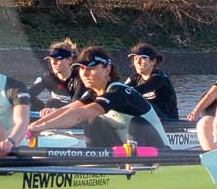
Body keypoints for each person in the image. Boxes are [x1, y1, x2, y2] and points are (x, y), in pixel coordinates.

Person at [28, 46, 166, 152]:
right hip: (128, 150)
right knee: (93, 121)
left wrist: (43, 126)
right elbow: (67, 110)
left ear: (107, 69)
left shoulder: (118, 91)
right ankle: (100, 167)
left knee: (136, 123)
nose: (85, 73)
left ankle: (130, 168)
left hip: (159, 153)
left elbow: (78, 115)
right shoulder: (92, 94)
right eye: (82, 68)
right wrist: (35, 126)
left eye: (91, 68)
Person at [126, 43, 180, 120]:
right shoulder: (134, 78)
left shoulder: (159, 78)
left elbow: (139, 90)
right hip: (148, 119)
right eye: (135, 58)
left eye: (143, 58)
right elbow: (122, 89)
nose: (138, 62)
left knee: (139, 101)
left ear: (153, 61)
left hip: (167, 119)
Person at [29, 41, 81, 112]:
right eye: (51, 59)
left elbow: (76, 105)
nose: (53, 63)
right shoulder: (49, 78)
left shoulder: (80, 79)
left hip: (77, 115)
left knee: (52, 103)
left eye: (58, 59)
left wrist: (55, 109)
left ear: (69, 60)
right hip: (57, 111)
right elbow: (28, 95)